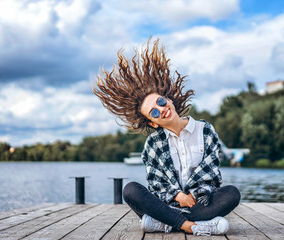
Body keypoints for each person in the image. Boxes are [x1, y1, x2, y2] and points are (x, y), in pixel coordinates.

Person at [93, 38, 241, 236]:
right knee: (130, 190)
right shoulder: (153, 144)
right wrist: (178, 196)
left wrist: (192, 196)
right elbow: (156, 182)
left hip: (200, 202)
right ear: (153, 123)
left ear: (168, 100)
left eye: (161, 102)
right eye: (153, 112)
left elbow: (211, 173)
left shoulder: (205, 130)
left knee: (232, 193)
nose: (161, 110)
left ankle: (164, 223)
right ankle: (192, 226)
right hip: (167, 203)